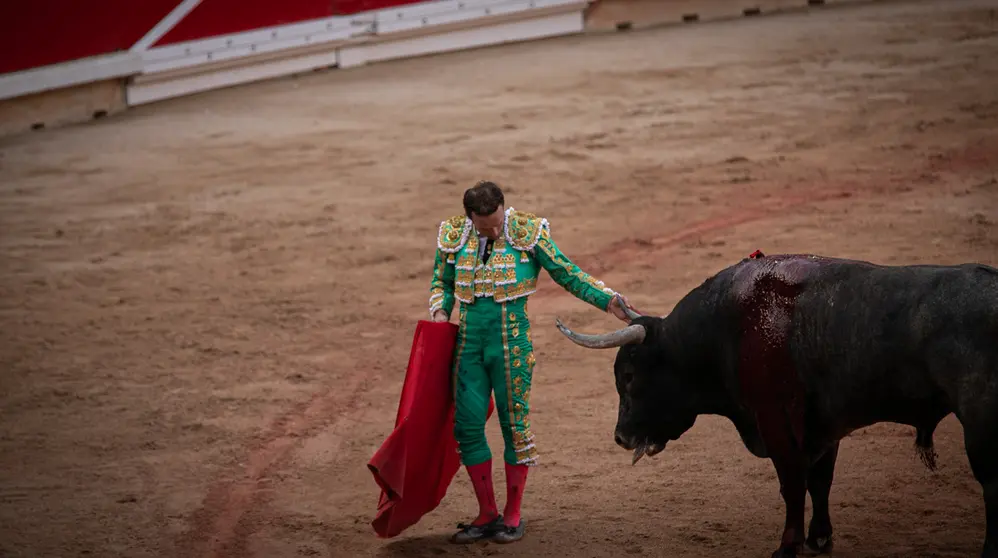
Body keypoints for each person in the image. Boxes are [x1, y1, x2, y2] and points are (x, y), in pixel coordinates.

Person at [427, 180, 634, 544]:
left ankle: (513, 514)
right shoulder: (453, 235)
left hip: (512, 347)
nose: (493, 230)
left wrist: (607, 300)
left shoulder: (528, 233)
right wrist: (441, 312)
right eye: (484, 225)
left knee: (515, 428)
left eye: (497, 221)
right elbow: (440, 283)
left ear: (503, 208)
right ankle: (487, 512)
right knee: (468, 428)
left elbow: (567, 272)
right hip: (467, 348)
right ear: (469, 217)